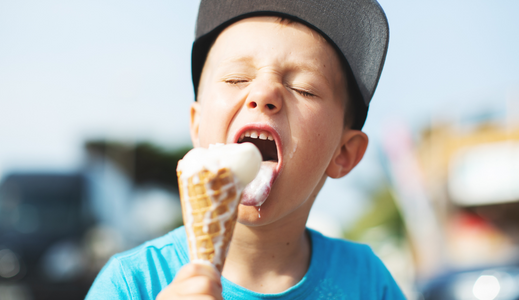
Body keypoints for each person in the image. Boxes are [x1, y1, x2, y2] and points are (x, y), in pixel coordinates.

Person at [86, 0, 405, 299]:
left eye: (303, 88)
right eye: (236, 79)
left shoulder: (367, 281)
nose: (265, 92)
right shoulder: (132, 282)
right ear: (197, 126)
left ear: (344, 153)